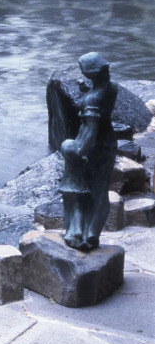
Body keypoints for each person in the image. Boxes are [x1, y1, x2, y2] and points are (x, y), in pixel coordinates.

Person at [59, 52, 119, 251]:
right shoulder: (112, 88)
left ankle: (81, 234)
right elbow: (102, 101)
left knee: (82, 192)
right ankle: (92, 233)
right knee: (100, 191)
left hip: (92, 148)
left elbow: (91, 132)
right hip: (109, 142)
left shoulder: (91, 100)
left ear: (88, 74)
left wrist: (78, 152)